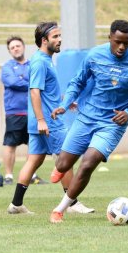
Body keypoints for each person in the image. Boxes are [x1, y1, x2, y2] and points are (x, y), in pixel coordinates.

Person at [49, 20, 128, 223]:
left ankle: (60, 209)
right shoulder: (94, 56)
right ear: (109, 37)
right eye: (117, 42)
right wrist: (65, 103)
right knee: (63, 163)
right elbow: (77, 82)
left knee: (88, 163)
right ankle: (59, 167)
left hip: (112, 124)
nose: (121, 47)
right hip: (87, 117)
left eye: (126, 43)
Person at [7, 21, 94, 214]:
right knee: (67, 157)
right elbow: (35, 92)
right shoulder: (39, 62)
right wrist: (41, 120)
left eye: (59, 36)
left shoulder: (45, 59)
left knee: (34, 160)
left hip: (42, 119)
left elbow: (47, 93)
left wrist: (64, 102)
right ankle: (72, 204)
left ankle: (16, 204)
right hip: (48, 121)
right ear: (44, 40)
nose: (59, 39)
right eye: (55, 37)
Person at [1, 35, 47, 185]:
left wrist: (22, 79)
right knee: (10, 144)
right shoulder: (7, 67)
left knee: (32, 144)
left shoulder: (33, 64)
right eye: (12, 47)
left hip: (32, 111)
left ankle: (31, 175)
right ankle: (8, 176)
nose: (16, 49)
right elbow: (12, 82)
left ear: (23, 47)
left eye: (17, 46)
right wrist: (28, 82)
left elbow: (40, 81)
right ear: (9, 51)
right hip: (14, 112)